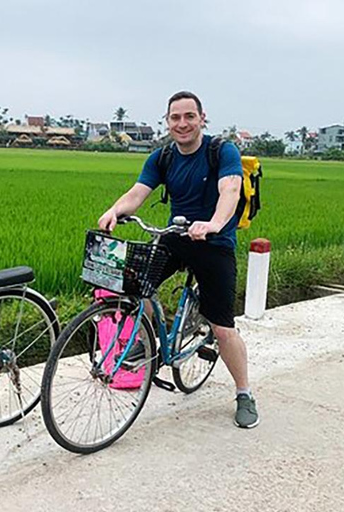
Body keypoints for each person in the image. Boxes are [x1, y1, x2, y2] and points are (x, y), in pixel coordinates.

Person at [98, 90, 259, 429]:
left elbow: (229, 190)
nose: (182, 124)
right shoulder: (163, 157)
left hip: (214, 242)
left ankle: (244, 393)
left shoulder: (222, 151)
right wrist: (115, 210)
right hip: (175, 236)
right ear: (168, 122)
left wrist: (214, 224)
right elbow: (138, 193)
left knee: (222, 327)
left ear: (202, 119)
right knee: (133, 287)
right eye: (175, 118)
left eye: (189, 117)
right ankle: (150, 343)